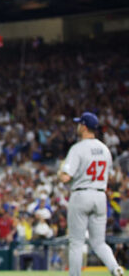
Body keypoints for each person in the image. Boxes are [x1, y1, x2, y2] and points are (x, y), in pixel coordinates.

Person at [59, 112, 124, 276]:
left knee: (76, 242)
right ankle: (115, 268)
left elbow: (66, 178)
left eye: (79, 123)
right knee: (99, 242)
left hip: (81, 194)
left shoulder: (78, 148)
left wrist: (60, 170)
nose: (78, 126)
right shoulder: (104, 149)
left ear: (84, 126)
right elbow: (110, 176)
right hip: (100, 195)